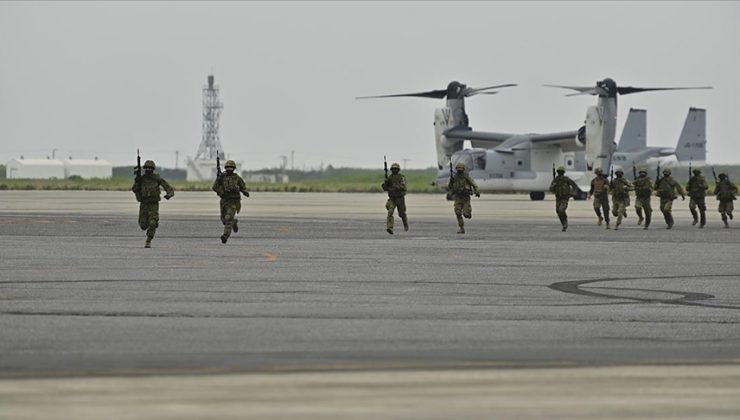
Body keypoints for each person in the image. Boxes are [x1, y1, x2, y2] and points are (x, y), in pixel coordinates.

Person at [131, 160, 174, 248]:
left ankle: (148, 240)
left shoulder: (157, 179)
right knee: (143, 225)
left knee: (153, 223)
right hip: (144, 204)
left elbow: (169, 188)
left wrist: (169, 195)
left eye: (150, 168)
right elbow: (134, 189)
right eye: (146, 168)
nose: (148, 170)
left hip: (153, 205)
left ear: (153, 169)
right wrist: (137, 181)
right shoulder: (141, 179)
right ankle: (151, 226)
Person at [212, 160, 249, 243]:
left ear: (234, 168)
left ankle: (225, 236)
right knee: (224, 219)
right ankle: (234, 223)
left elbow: (242, 186)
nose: (229, 169)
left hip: (234, 201)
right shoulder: (222, 177)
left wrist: (245, 192)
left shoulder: (237, 177)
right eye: (228, 167)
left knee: (228, 218)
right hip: (224, 201)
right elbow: (214, 188)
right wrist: (218, 180)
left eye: (231, 167)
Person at [448, 162, 480, 234]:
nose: (459, 170)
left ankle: (468, 211)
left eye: (461, 169)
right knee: (458, 212)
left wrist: (477, 191)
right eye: (458, 169)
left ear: (463, 169)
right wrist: (451, 181)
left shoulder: (466, 177)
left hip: (466, 198)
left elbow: (474, 184)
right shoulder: (454, 177)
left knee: (466, 215)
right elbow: (450, 187)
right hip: (458, 197)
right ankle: (461, 228)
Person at [549, 166, 579, 231]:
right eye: (559, 172)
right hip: (558, 198)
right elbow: (551, 189)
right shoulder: (555, 180)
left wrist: (573, 193)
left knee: (561, 210)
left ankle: (565, 223)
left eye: (561, 172)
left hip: (565, 198)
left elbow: (575, 186)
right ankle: (563, 224)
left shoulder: (566, 179)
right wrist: (553, 186)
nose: (560, 173)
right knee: (558, 211)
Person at [382, 162, 408, 234]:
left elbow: (403, 187)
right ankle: (390, 228)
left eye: (396, 169)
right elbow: (385, 188)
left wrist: (395, 186)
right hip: (392, 198)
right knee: (390, 212)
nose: (394, 170)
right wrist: (385, 184)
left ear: (398, 170)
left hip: (400, 198)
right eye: (393, 169)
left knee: (402, 214)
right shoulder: (389, 178)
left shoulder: (401, 177)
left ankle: (405, 224)